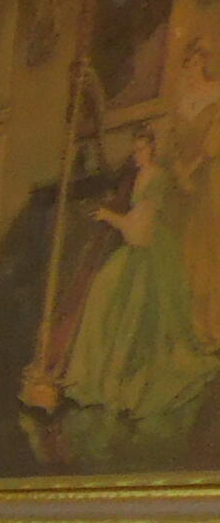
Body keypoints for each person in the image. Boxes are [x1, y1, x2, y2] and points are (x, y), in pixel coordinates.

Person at [61, 120, 219, 459]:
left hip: (149, 254)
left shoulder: (158, 179)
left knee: (129, 308)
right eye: (133, 151)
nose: (135, 156)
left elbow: (139, 231)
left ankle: (123, 384)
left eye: (141, 150)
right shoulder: (139, 176)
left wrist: (106, 216)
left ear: (151, 150)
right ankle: (101, 379)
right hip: (137, 249)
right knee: (103, 290)